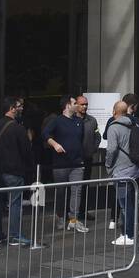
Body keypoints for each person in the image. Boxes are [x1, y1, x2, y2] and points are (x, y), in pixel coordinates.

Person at [0, 97, 32, 248]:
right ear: (12, 108)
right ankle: (14, 235)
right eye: (19, 106)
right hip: (13, 171)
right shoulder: (18, 128)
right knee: (15, 204)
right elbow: (26, 151)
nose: (21, 109)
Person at [103, 96, 139, 247]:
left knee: (125, 205)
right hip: (135, 169)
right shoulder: (134, 123)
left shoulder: (114, 127)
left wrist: (108, 165)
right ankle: (130, 233)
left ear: (114, 111)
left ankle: (129, 235)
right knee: (132, 204)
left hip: (121, 171)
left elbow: (112, 149)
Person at [44, 96, 88, 233]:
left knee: (77, 191)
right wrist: (55, 144)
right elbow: (45, 134)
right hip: (61, 163)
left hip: (77, 162)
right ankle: (60, 217)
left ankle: (73, 220)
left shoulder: (79, 122)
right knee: (61, 191)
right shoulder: (56, 121)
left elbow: (81, 139)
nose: (78, 105)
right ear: (68, 106)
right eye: (75, 103)